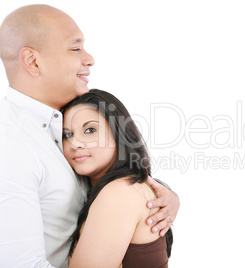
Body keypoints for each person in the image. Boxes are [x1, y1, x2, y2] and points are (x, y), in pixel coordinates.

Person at [0, 5, 179, 268]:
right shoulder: (11, 143)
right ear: (33, 61)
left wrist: (165, 196)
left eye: (89, 130)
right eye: (75, 48)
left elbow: (105, 185)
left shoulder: (55, 121)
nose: (90, 58)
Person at [62, 89, 172, 267]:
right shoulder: (125, 186)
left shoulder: (120, 192)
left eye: (90, 130)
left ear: (119, 133)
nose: (75, 144)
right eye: (67, 135)